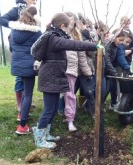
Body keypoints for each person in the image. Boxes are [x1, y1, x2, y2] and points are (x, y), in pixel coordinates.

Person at [30, 12, 103, 149]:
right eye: (67, 26)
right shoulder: (54, 38)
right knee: (48, 110)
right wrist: (93, 46)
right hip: (50, 77)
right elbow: (73, 44)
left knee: (51, 110)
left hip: (53, 76)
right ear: (62, 25)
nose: (69, 29)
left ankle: (46, 134)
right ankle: (39, 139)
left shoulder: (54, 35)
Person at [0, 0, 37, 121]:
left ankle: (25, 103)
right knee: (21, 76)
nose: (35, 1)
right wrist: (16, 26)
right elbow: (2, 20)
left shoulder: (32, 9)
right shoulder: (18, 9)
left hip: (25, 43)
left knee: (23, 76)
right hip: (19, 43)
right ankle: (20, 105)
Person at [8, 5, 41, 135]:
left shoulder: (13, 31)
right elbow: (40, 49)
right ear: (35, 18)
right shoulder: (37, 32)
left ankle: (21, 114)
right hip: (29, 66)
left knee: (23, 91)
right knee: (28, 94)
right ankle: (22, 126)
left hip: (17, 64)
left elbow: (11, 48)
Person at [63, 11, 94, 131]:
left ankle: (70, 120)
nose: (69, 24)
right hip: (58, 68)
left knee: (70, 95)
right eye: (67, 21)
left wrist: (86, 71)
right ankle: (56, 115)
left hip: (71, 69)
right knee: (57, 95)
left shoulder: (77, 36)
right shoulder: (57, 33)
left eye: (71, 21)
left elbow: (81, 56)